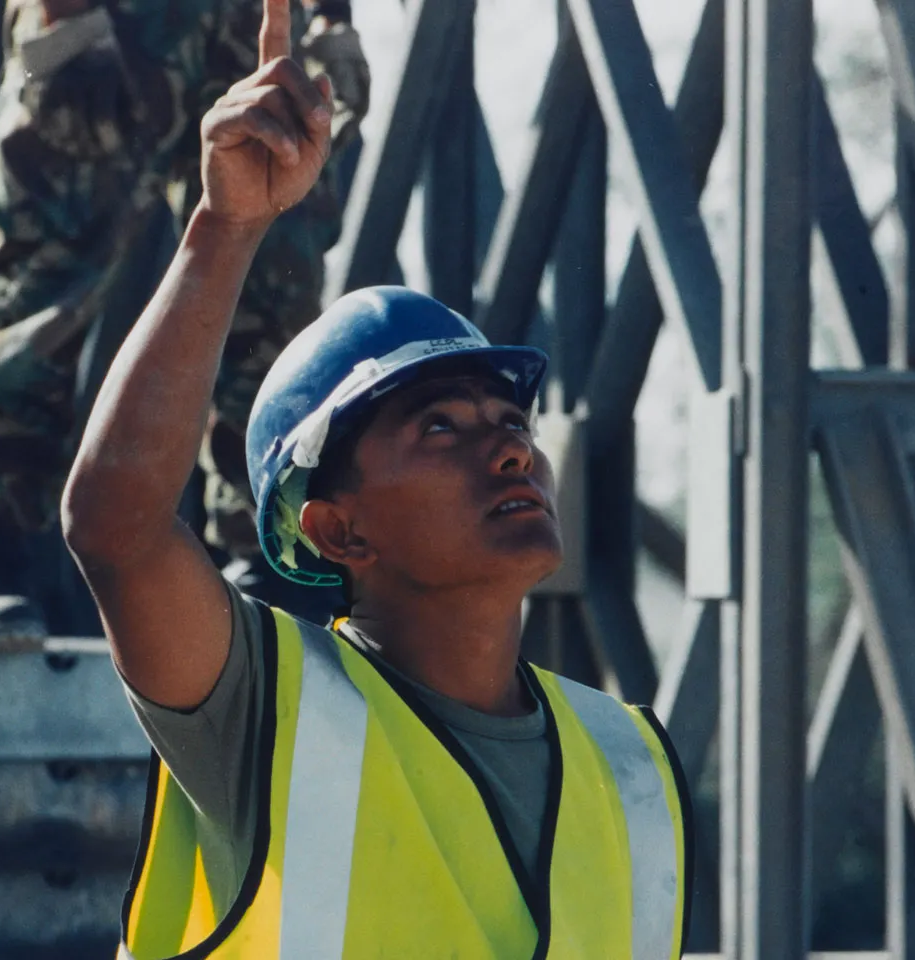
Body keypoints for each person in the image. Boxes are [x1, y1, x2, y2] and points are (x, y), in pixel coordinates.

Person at [61, 1, 693, 955]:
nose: (512, 449)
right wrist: (225, 227)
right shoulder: (264, 710)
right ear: (336, 530)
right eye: (439, 426)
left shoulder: (632, 763)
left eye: (510, 420)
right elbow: (116, 528)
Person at [0, 0, 368, 645]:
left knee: (274, 274)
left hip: (253, 18)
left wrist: (331, 19)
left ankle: (263, 555)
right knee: (50, 268)